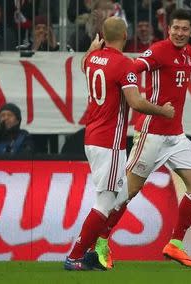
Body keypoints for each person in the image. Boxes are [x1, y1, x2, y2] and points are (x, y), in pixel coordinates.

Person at [100, 9, 191, 269]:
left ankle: (174, 244)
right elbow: (132, 67)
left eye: (184, 29)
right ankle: (100, 240)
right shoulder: (158, 51)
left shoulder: (188, 52)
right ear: (169, 30)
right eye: (175, 28)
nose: (179, 33)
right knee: (129, 191)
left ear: (190, 32)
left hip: (176, 136)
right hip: (151, 133)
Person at [64, 16, 175, 271]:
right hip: (109, 142)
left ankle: (91, 249)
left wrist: (92, 49)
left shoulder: (92, 58)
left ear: (102, 36)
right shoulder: (124, 65)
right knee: (105, 202)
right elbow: (135, 102)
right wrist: (162, 111)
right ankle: (77, 255)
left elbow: (83, 64)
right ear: (126, 36)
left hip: (92, 137)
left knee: (122, 196)